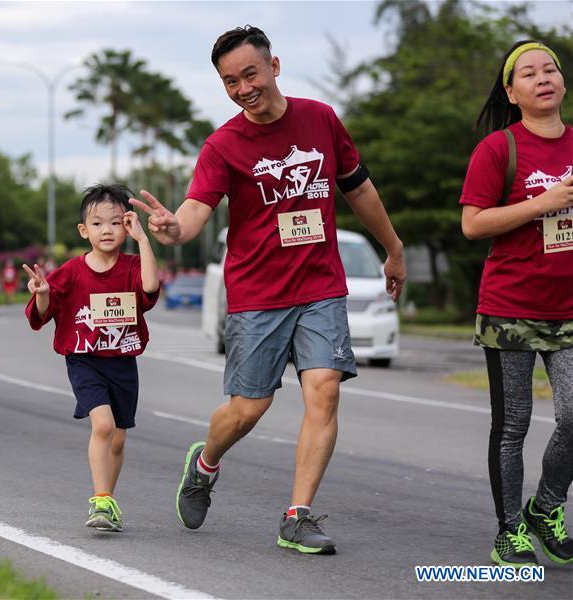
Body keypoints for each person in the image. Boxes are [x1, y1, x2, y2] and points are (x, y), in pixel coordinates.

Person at [131, 26, 405, 554]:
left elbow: (359, 187)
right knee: (247, 411)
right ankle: (205, 461)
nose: (241, 88)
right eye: (229, 81)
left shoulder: (321, 119)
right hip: (258, 294)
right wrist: (174, 229)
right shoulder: (224, 144)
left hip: (322, 285)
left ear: (274, 66)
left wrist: (393, 248)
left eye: (249, 74)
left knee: (324, 389)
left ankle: (297, 516)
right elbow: (195, 210)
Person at [459, 40, 573, 568]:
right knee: (514, 426)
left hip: (569, 308)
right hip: (510, 309)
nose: (542, 77)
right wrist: (543, 203)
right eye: (528, 73)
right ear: (512, 91)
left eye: (549, 68)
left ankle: (545, 507)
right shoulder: (498, 149)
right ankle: (509, 530)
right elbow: (473, 223)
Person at [24, 184, 159, 532]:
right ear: (84, 231)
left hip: (123, 361)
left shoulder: (132, 265)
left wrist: (144, 240)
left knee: (119, 438)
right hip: (84, 360)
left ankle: (107, 502)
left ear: (127, 226)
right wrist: (42, 294)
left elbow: (149, 289)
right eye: (98, 224)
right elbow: (43, 313)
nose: (107, 231)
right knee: (103, 425)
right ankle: (100, 499)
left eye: (116, 223)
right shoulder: (70, 271)